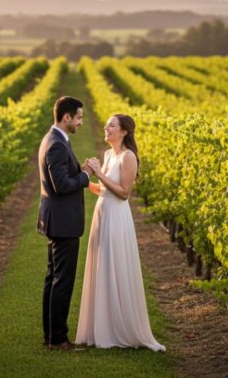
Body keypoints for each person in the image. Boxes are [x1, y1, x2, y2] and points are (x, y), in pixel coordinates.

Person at [75, 114, 165, 352]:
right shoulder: (107, 155)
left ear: (123, 132)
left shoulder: (128, 157)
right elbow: (103, 190)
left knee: (115, 266)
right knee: (101, 266)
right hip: (102, 213)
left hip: (117, 217)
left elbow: (124, 193)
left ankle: (119, 329)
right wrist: (86, 177)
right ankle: (100, 328)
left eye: (111, 125)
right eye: (106, 124)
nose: (106, 128)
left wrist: (99, 173)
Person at [37, 96, 92, 351]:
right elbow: (62, 185)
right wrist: (85, 175)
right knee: (62, 280)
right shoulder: (57, 144)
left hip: (56, 220)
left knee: (53, 278)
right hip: (63, 222)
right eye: (78, 117)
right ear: (66, 117)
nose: (81, 122)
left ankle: (51, 336)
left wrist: (79, 173)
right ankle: (58, 339)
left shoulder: (54, 139)